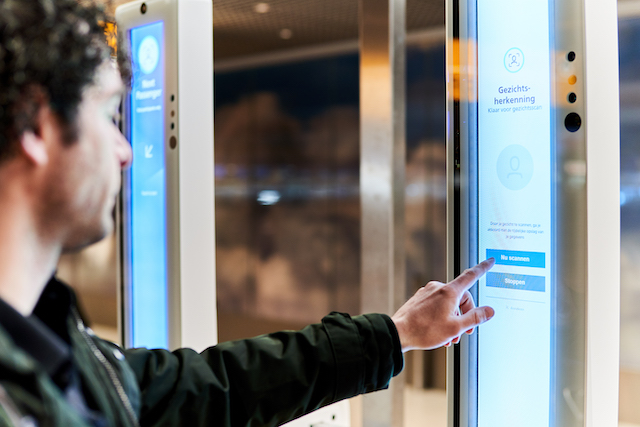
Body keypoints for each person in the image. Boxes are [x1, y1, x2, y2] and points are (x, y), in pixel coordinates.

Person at [0, 0, 495, 425]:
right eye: (108, 116)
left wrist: (396, 334)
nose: (125, 149)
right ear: (38, 128)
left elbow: (200, 390)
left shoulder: (52, 338)